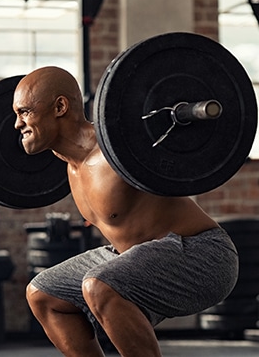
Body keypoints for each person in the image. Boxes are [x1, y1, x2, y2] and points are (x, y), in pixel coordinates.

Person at [13, 66, 238, 357]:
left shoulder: (118, 148)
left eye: (24, 112)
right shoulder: (71, 167)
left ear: (59, 107)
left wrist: (187, 116)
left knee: (99, 286)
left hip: (203, 255)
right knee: (43, 294)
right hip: (133, 254)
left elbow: (170, 149)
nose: (17, 124)